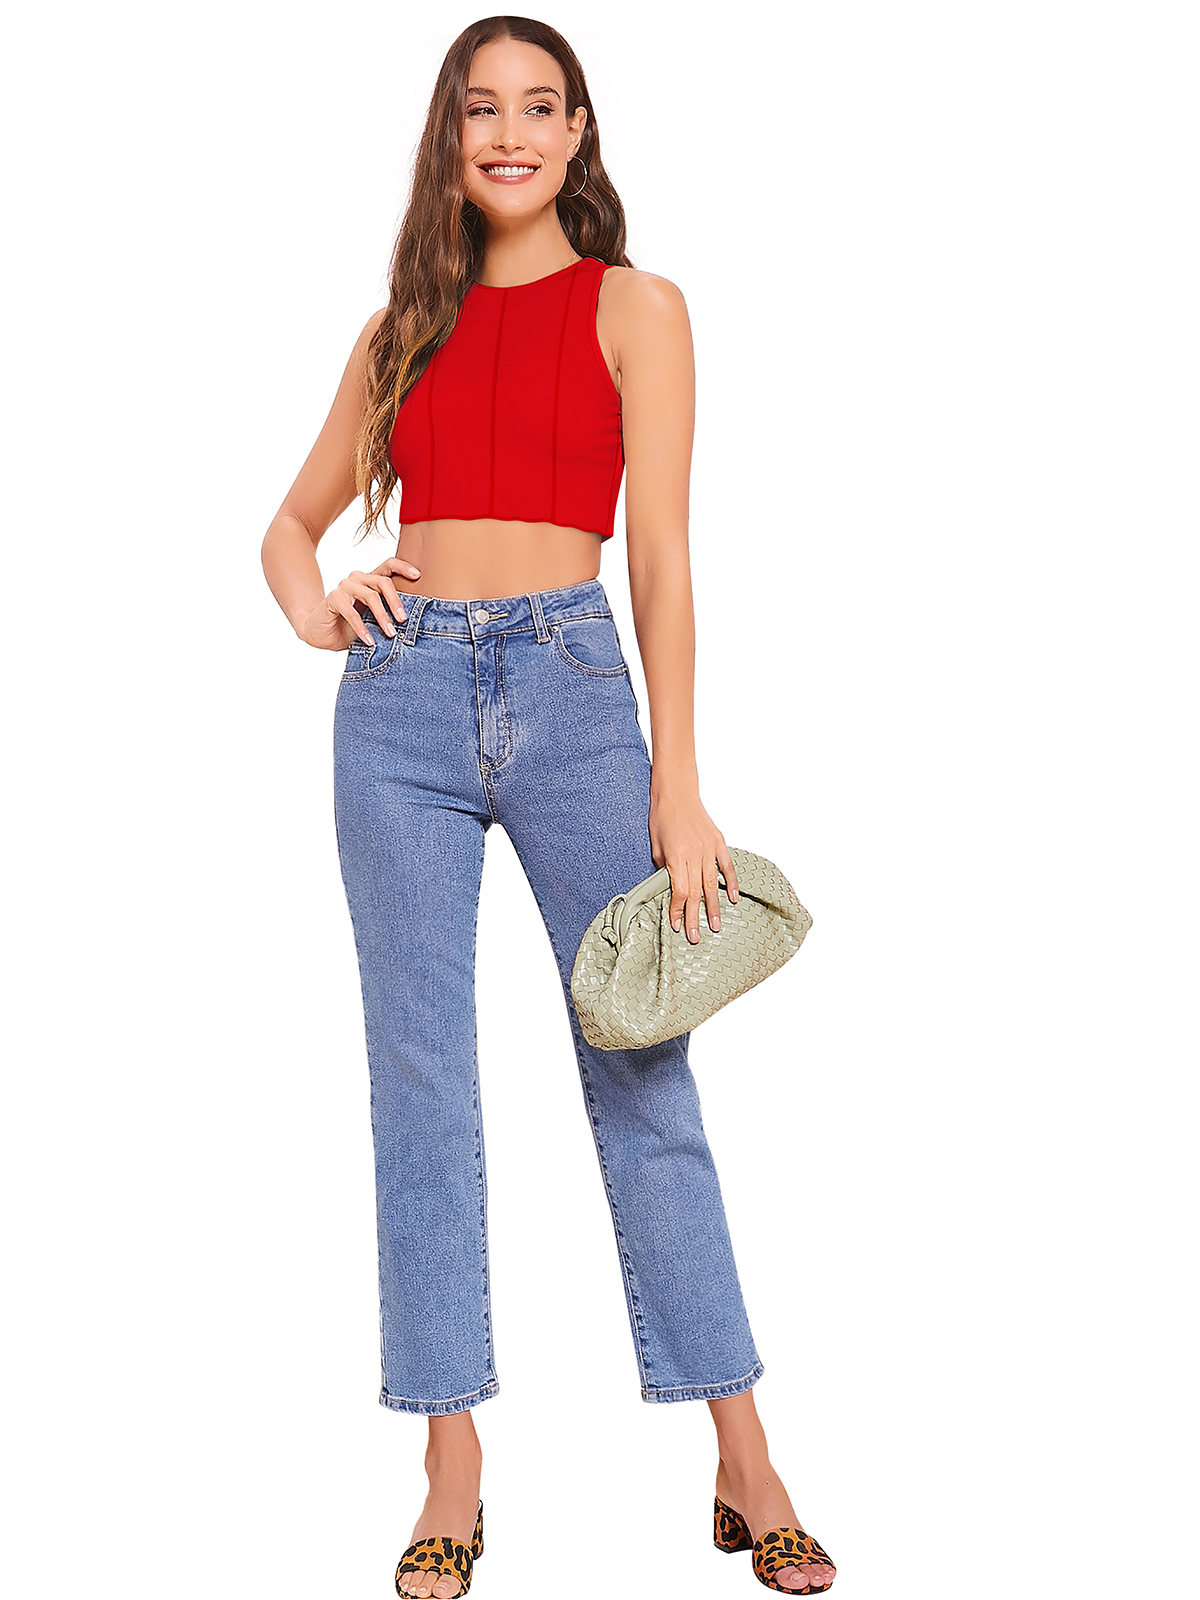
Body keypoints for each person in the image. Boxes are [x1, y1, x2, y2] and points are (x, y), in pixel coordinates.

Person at [260, 16, 835, 1599]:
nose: (508, 134)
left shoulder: (639, 308)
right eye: (480, 110)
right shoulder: (397, 335)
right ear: (450, 139)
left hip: (578, 696)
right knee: (421, 1087)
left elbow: (662, 556)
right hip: (400, 709)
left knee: (643, 1064)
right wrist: (319, 607)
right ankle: (450, 1463)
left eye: (537, 107)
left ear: (579, 132)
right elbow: (289, 528)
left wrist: (679, 781)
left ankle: (745, 1453)